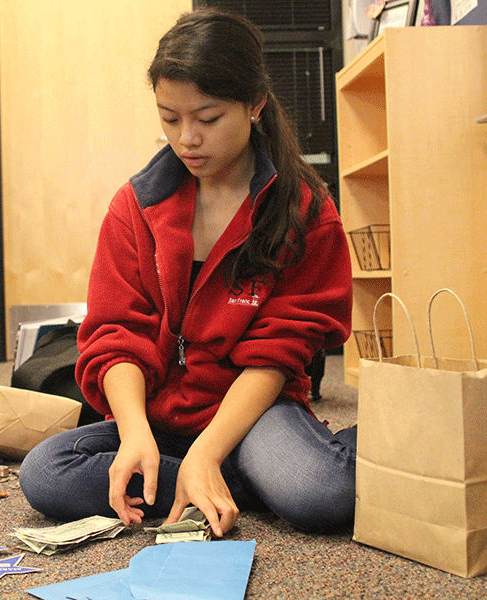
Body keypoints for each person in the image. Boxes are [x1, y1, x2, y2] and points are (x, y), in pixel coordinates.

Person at [20, 9, 356, 536]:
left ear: (255, 105)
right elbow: (117, 335)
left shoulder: (303, 211)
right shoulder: (135, 207)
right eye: (170, 119)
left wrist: (209, 447)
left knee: (320, 495)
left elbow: (282, 351)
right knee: (44, 474)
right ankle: (223, 480)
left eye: (208, 118)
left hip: (251, 414)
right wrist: (132, 431)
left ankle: (222, 470)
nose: (187, 139)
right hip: (159, 417)